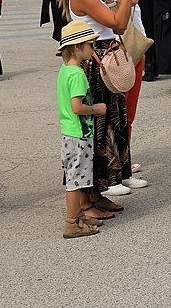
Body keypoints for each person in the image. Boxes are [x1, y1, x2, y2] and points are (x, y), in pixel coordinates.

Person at [58, 0, 145, 204]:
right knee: (102, 126)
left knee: (115, 120)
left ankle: (107, 185)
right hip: (98, 62)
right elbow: (119, 23)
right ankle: (96, 189)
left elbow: (115, 20)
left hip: (105, 58)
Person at [95, 0, 146, 188]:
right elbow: (129, 4)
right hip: (114, 51)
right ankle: (113, 172)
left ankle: (123, 167)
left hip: (130, 49)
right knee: (114, 114)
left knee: (126, 113)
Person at [56, 20, 106, 238]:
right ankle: (71, 222)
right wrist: (97, 109)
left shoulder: (65, 70)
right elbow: (77, 107)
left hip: (70, 133)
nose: (93, 49)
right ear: (78, 47)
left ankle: (78, 216)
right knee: (75, 180)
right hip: (78, 135)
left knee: (74, 176)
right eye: (90, 45)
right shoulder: (77, 74)